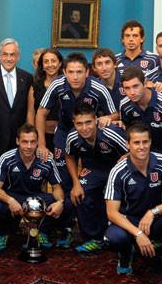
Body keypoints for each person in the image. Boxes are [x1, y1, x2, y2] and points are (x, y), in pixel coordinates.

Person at [104, 123, 162, 284]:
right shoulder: (118, 171)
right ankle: (126, 252)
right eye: (136, 143)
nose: (142, 147)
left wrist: (153, 212)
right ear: (128, 144)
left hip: (155, 219)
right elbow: (111, 213)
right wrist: (138, 233)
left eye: (145, 142)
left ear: (150, 142)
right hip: (129, 221)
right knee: (115, 237)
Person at [36, 52, 117, 190]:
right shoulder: (57, 84)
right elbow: (41, 113)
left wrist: (107, 118)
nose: (75, 77)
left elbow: (114, 114)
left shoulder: (98, 88)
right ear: (64, 72)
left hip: (89, 133)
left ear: (87, 72)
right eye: (71, 72)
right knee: (63, 175)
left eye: (79, 72)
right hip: (64, 130)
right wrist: (42, 144)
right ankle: (66, 201)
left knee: (89, 176)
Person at [0, 124, 72, 251]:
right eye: (25, 142)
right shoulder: (6, 158)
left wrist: (60, 202)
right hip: (13, 196)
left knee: (66, 203)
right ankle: (2, 234)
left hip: (36, 198)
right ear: (17, 141)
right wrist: (10, 200)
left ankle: (42, 232)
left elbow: (57, 188)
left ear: (37, 142)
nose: (29, 146)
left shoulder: (46, 160)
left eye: (32, 142)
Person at [65, 103, 127, 253]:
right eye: (79, 124)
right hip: (93, 168)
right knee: (80, 194)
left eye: (88, 122)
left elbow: (132, 151)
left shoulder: (111, 132)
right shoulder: (72, 136)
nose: (84, 128)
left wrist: (125, 159)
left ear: (96, 120)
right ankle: (93, 238)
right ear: (74, 123)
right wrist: (76, 183)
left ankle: (123, 234)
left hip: (118, 168)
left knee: (124, 194)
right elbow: (69, 156)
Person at [0, 38, 33, 172]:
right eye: (5, 54)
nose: (8, 58)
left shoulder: (27, 78)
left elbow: (29, 108)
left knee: (16, 173)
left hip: (18, 136)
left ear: (18, 57)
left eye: (12, 55)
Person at [119, 66, 162, 154]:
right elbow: (128, 135)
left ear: (145, 84)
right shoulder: (124, 105)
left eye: (135, 86)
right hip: (141, 153)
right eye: (127, 88)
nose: (132, 92)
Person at [26, 48, 62, 152]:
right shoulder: (35, 87)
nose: (50, 65)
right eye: (46, 62)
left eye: (53, 61)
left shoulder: (66, 85)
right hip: (41, 137)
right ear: (42, 65)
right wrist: (32, 137)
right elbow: (30, 113)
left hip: (62, 136)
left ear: (60, 63)